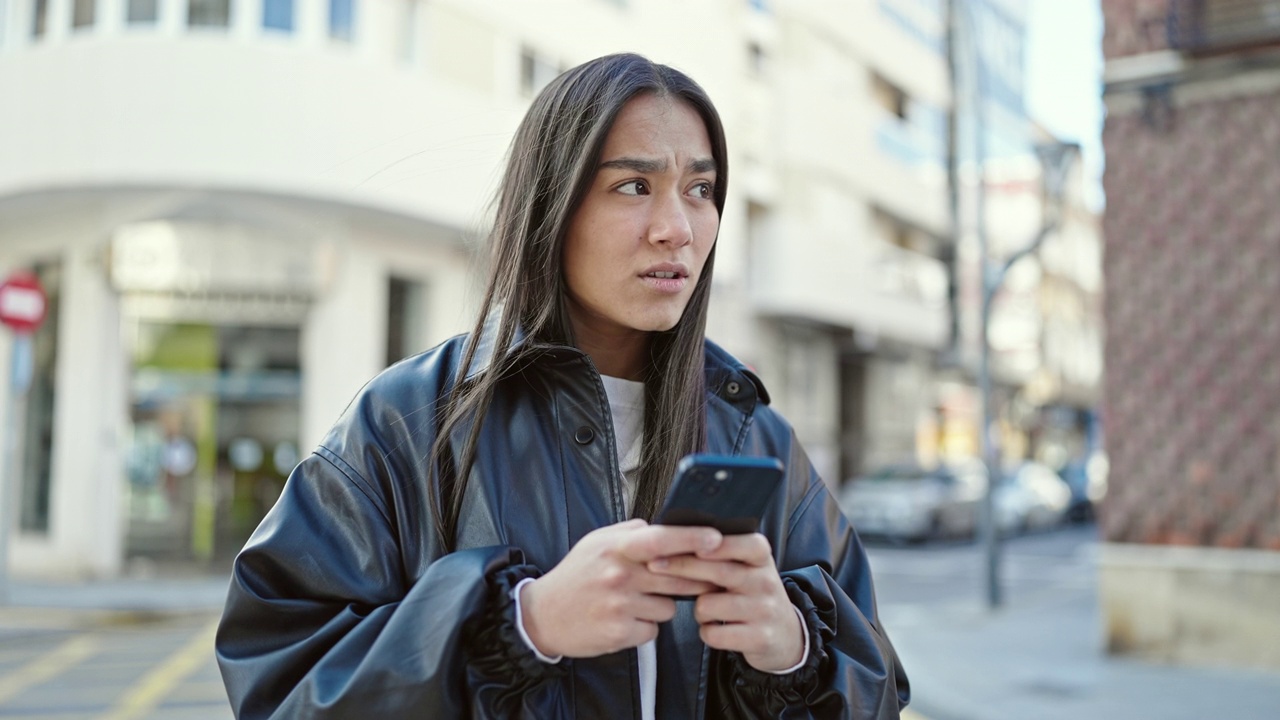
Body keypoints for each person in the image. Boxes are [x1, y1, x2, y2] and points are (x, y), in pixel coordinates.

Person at [216, 52, 909, 719]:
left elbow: (878, 685)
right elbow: (283, 684)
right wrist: (526, 623)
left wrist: (793, 650)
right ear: (553, 205)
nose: (677, 229)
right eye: (634, 186)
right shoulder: (409, 420)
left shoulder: (755, 433)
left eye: (700, 190)